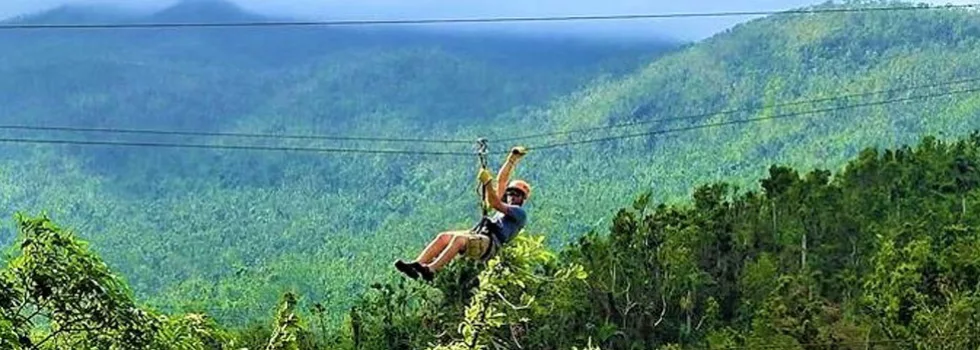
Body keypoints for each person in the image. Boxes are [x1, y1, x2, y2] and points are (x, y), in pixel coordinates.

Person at [394, 146, 530, 282]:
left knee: (459, 240)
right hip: (482, 234)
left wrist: (488, 183)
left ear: (523, 199)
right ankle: (417, 265)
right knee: (443, 237)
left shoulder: (519, 213)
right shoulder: (507, 206)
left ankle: (431, 269)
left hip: (491, 243)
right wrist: (512, 159)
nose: (512, 196)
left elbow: (495, 203)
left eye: (517, 194)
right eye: (510, 193)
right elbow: (502, 181)